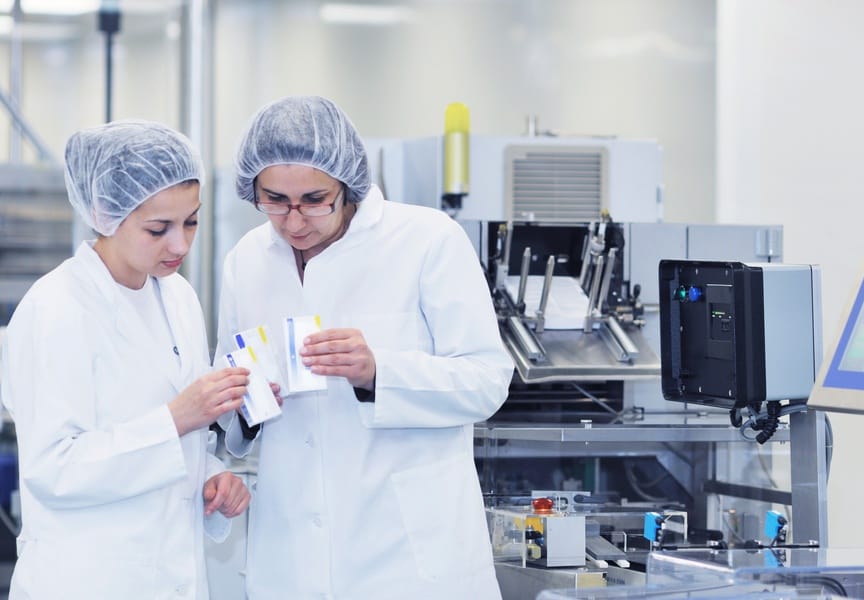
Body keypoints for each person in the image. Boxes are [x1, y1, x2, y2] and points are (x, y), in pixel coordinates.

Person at [215, 95, 513, 599]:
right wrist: (247, 405)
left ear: (347, 183)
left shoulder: (427, 240)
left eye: (315, 200)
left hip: (405, 556)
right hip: (290, 553)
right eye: (274, 200)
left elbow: (487, 380)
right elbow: (226, 389)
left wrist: (379, 372)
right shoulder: (247, 259)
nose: (294, 221)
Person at [0, 120, 253, 598]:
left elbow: (175, 444)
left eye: (191, 222)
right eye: (158, 229)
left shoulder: (177, 296)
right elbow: (53, 469)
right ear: (104, 214)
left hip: (171, 574)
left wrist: (212, 475)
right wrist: (177, 418)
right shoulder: (55, 308)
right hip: (88, 579)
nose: (180, 245)